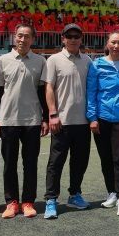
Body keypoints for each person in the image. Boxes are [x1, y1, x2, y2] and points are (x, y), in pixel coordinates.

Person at [0, 24, 49, 218]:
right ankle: (12, 202)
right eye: (20, 36)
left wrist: (45, 118)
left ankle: (28, 202)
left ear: (33, 39)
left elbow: (42, 92)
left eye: (27, 36)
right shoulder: (2, 61)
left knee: (30, 163)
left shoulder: (40, 61)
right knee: (9, 164)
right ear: (14, 37)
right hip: (8, 120)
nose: (23, 40)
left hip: (32, 120)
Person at [86, 30, 119, 216]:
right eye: (113, 42)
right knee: (106, 158)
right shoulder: (96, 65)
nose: (116, 46)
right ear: (107, 44)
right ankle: (112, 192)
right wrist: (92, 118)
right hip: (102, 119)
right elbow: (91, 93)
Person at [43, 24, 93, 219]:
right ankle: (51, 199)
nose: (73, 39)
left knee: (80, 162)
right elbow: (49, 88)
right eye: (69, 36)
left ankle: (75, 194)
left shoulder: (87, 60)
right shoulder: (54, 60)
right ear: (63, 38)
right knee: (56, 162)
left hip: (83, 122)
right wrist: (53, 114)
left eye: (76, 36)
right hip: (61, 122)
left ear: (81, 39)